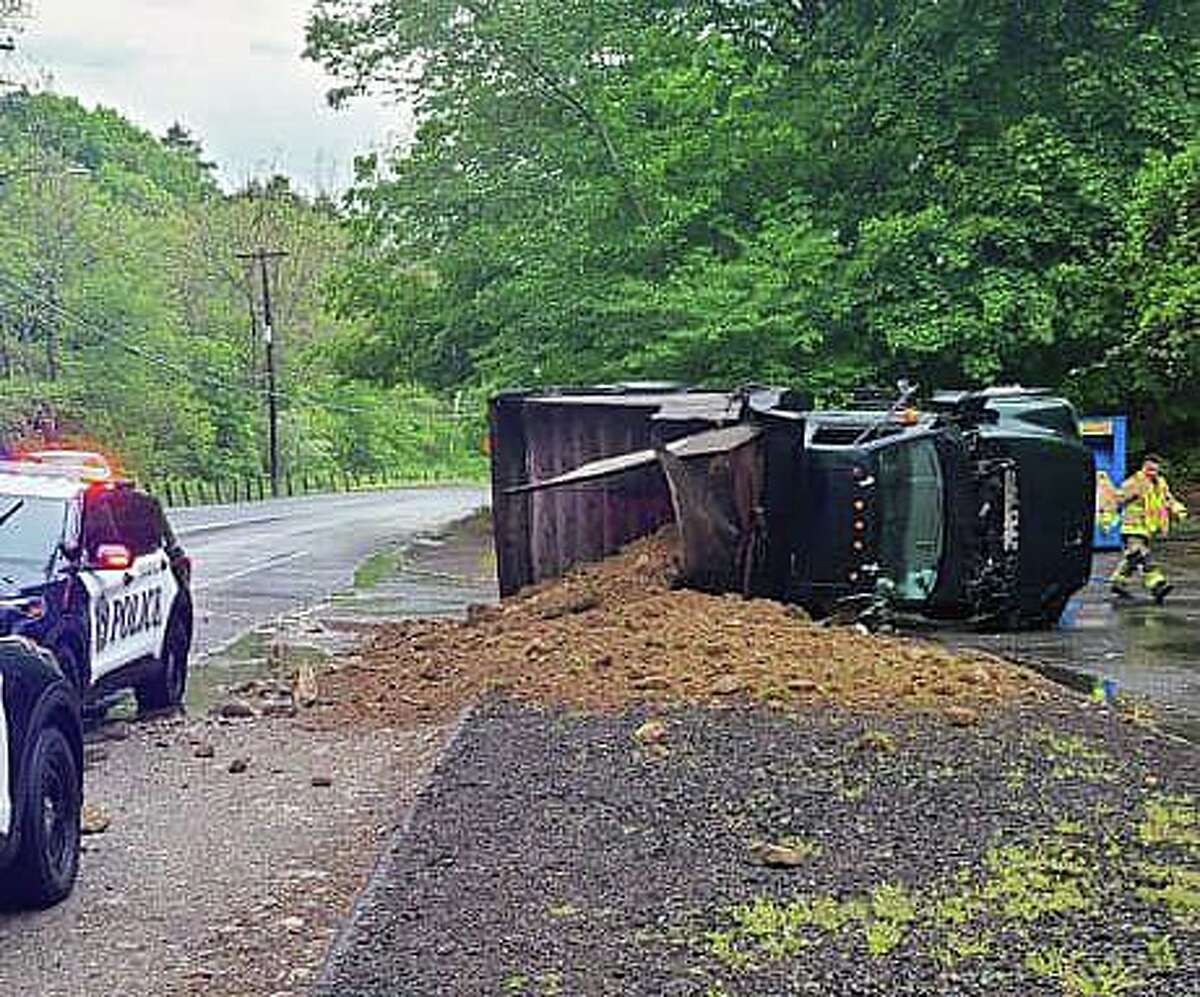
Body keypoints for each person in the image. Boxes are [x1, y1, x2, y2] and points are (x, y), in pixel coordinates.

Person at [1110, 454, 1188, 602]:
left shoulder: (1161, 484)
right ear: (1143, 467)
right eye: (1149, 469)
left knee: (1133, 558)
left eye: (1155, 470)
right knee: (1142, 555)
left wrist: (1179, 510)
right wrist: (1125, 499)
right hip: (1132, 527)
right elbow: (1117, 499)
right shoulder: (1134, 482)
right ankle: (1157, 585)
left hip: (1147, 528)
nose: (1152, 473)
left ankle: (1118, 582)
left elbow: (1168, 500)